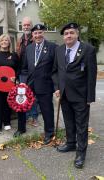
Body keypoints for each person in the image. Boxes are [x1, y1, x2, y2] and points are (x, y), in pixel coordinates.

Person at [52, 22, 97, 168]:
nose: (69, 35)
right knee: (69, 123)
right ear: (63, 37)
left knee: (81, 126)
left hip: (81, 96)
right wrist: (57, 87)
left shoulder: (88, 50)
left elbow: (92, 75)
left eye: (71, 32)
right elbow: (55, 72)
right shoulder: (59, 50)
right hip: (64, 94)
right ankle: (71, 143)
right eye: (66, 34)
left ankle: (81, 154)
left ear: (77, 34)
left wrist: (90, 97)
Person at [21, 24, 57, 144]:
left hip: (45, 84)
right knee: (22, 106)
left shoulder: (53, 47)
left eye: (40, 32)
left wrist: (56, 85)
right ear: (32, 35)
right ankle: (21, 129)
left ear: (43, 33)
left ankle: (49, 132)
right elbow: (25, 68)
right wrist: (24, 83)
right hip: (30, 84)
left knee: (47, 110)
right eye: (35, 33)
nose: (38, 35)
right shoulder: (29, 48)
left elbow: (55, 69)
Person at [0, 34, 19, 135]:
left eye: (6, 40)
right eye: (2, 40)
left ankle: (6, 122)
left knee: (8, 102)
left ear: (9, 42)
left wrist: (16, 77)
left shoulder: (14, 55)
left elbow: (19, 68)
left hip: (10, 83)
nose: (4, 42)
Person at [16, 17, 39, 128]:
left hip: (32, 72)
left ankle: (34, 117)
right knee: (23, 94)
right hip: (22, 72)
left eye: (28, 25)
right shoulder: (20, 39)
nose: (26, 27)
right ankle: (25, 115)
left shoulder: (35, 38)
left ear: (31, 26)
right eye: (24, 25)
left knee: (32, 95)